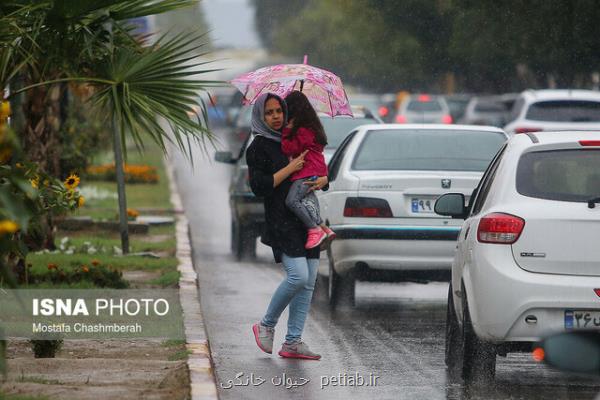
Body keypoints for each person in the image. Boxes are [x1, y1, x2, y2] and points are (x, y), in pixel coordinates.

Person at [246, 92, 328, 360]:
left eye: (279, 111)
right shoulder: (258, 147)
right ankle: (266, 325)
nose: (276, 116)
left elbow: (314, 167)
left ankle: (293, 342)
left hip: (309, 218)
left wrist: (323, 180)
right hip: (282, 221)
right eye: (269, 113)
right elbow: (260, 187)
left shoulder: (293, 137)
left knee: (308, 283)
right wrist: (290, 166)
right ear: (261, 116)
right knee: (298, 277)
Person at [282, 91, 336, 249]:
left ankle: (314, 229)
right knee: (306, 202)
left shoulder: (302, 130)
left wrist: (286, 131)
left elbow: (288, 149)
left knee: (291, 201)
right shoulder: (312, 127)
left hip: (308, 171)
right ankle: (324, 228)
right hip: (315, 170)